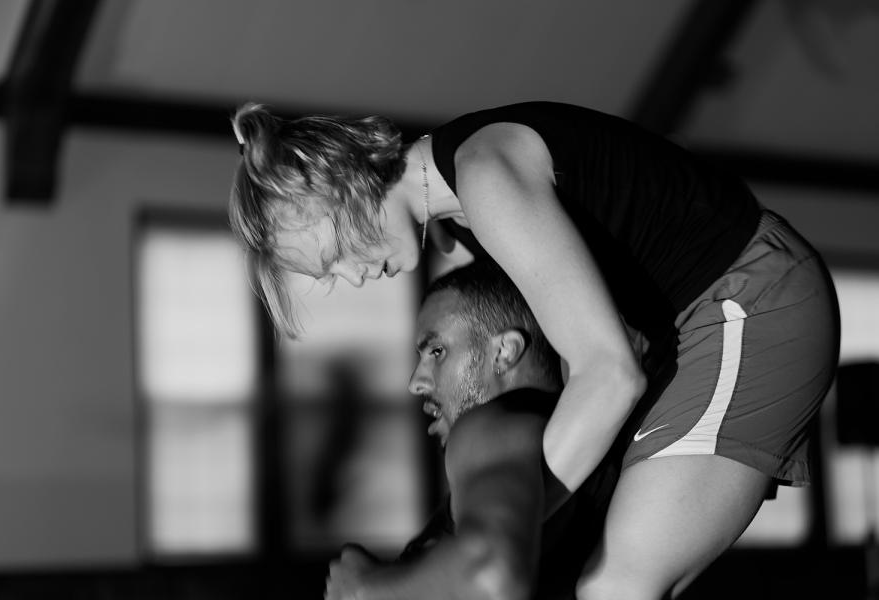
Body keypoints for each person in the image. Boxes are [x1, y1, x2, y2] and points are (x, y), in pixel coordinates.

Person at [229, 100, 840, 599]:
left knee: (616, 589)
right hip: (690, 328)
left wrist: (454, 558)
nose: (354, 277)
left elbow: (610, 375)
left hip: (748, 297)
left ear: (346, 180)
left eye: (335, 250)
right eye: (330, 275)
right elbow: (595, 353)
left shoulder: (486, 175)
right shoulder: (466, 211)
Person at [325, 260, 621, 600]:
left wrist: (366, 588)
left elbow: (490, 573)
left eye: (437, 351)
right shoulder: (579, 450)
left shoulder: (490, 427)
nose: (415, 383)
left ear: (504, 352)